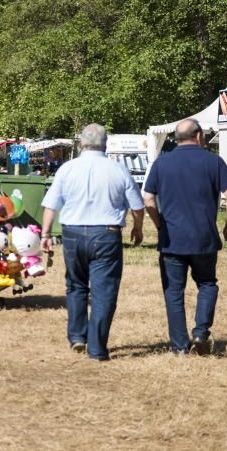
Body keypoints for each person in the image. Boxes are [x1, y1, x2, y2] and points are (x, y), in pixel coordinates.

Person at [40, 124, 145, 361]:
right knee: (104, 291)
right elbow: (137, 207)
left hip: (72, 234)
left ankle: (77, 336)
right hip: (106, 234)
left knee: (76, 286)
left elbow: (51, 205)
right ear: (105, 144)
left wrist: (45, 235)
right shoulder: (118, 170)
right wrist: (138, 228)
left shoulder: (67, 169)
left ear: (81, 143)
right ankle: (97, 348)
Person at [143, 119, 227, 355]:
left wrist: (159, 225)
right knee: (207, 284)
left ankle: (179, 346)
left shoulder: (161, 163)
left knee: (173, 292)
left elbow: (147, 198)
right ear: (198, 136)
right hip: (204, 238)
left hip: (171, 240)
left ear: (177, 138)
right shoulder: (213, 161)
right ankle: (200, 332)